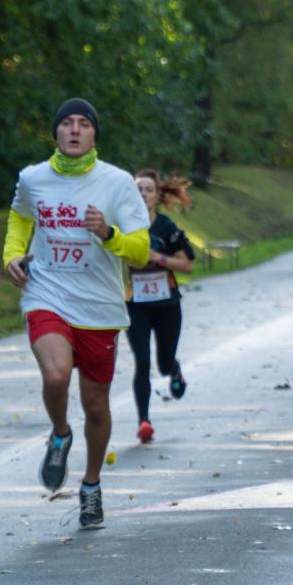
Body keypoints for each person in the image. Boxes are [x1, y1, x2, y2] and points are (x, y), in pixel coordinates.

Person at [2, 98, 149, 529]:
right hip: (46, 293)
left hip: (100, 307)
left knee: (98, 407)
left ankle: (90, 486)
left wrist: (108, 232)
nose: (74, 130)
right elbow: (18, 218)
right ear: (55, 133)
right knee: (56, 376)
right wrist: (13, 253)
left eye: (83, 123)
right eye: (66, 122)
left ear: (94, 135)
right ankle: (60, 433)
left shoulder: (118, 184)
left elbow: (140, 252)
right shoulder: (33, 179)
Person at [126, 169, 195, 443]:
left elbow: (187, 265)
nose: (142, 194)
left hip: (167, 304)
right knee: (142, 362)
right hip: (135, 305)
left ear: (157, 196)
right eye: (138, 189)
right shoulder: (121, 227)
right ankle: (144, 421)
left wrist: (157, 258)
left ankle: (174, 369)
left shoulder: (166, 228)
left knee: (163, 364)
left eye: (148, 190)